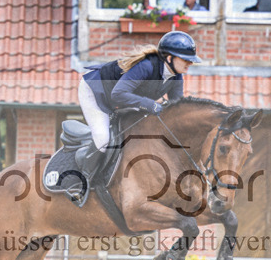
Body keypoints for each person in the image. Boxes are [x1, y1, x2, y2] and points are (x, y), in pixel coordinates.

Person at [69, 31, 202, 200]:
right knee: (103, 139)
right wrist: (149, 104)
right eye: (185, 59)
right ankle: (81, 182)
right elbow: (118, 94)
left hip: (122, 100)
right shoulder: (146, 66)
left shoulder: (176, 78)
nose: (190, 63)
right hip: (96, 92)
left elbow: (177, 109)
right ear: (169, 58)